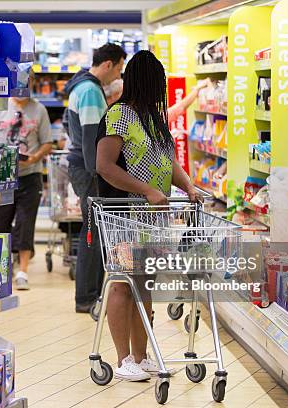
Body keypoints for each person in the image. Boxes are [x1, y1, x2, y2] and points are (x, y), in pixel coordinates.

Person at [95, 50, 202, 381]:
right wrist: (146, 190)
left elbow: (167, 163)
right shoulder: (119, 116)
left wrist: (188, 186)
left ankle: (141, 357)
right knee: (123, 284)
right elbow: (105, 166)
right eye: (159, 84)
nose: (162, 91)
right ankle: (123, 358)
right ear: (146, 83)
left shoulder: (154, 120)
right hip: (123, 215)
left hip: (153, 219)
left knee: (145, 285)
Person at [64, 43, 127, 313]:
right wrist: (100, 173)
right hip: (89, 169)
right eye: (119, 68)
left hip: (84, 167)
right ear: (108, 64)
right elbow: (92, 138)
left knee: (93, 229)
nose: (119, 75)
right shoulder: (90, 90)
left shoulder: (82, 86)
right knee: (93, 231)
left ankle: (89, 294)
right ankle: (87, 297)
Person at [0, 96, 53, 290]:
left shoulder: (39, 109)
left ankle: (23, 271)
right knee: (1, 222)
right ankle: (2, 268)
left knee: (26, 223)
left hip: (30, 176)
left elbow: (48, 142)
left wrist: (35, 157)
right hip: (3, 176)